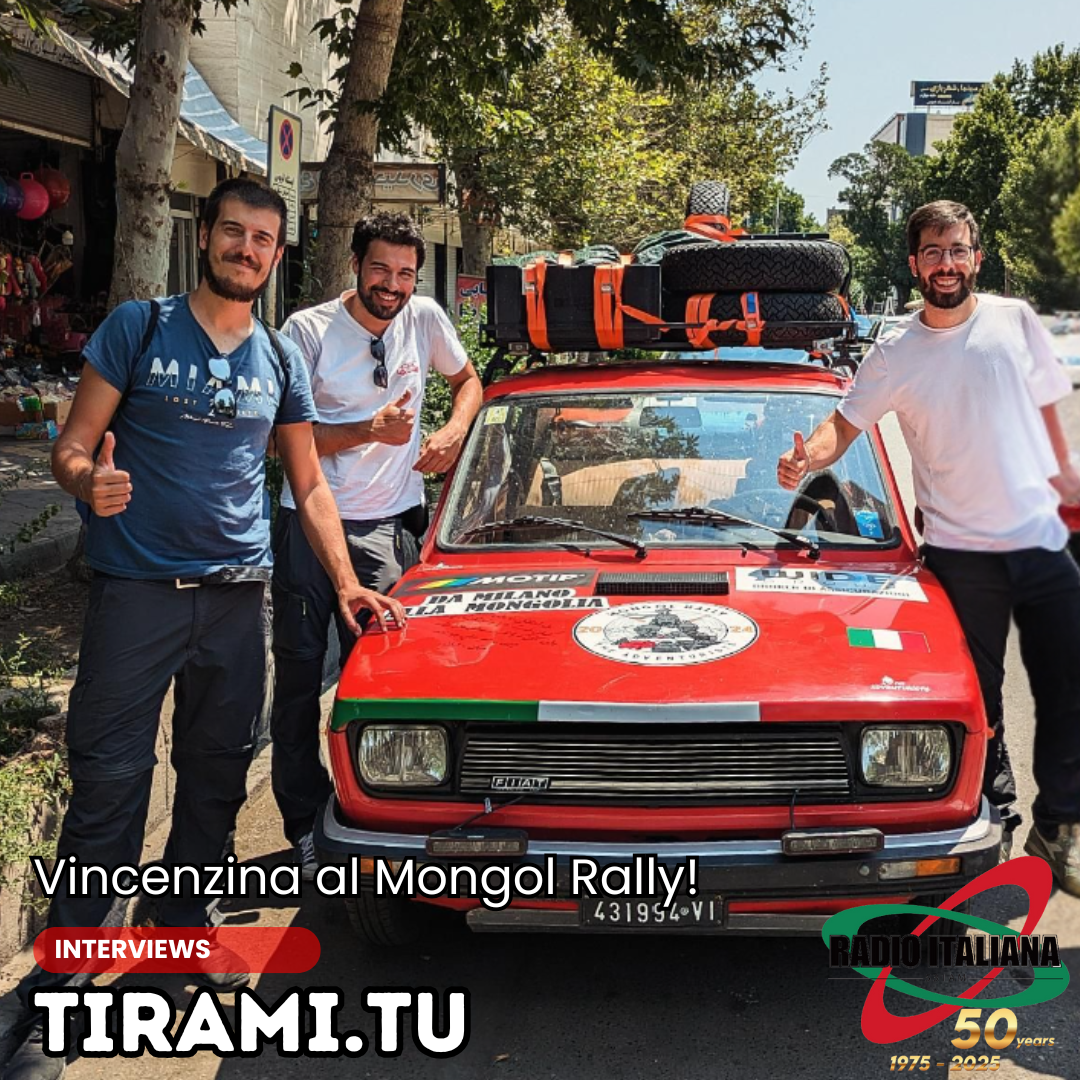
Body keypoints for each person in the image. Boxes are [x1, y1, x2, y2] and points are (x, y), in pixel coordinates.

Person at [2, 178, 405, 1080]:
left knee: (217, 780)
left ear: (276, 255)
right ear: (208, 237)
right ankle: (65, 985)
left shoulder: (278, 358)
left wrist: (347, 582)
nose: (246, 250)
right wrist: (85, 481)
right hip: (136, 596)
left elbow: (308, 483)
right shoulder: (139, 329)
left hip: (235, 600)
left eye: (263, 240)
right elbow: (73, 444)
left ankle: (178, 932)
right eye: (233, 232)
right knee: (109, 784)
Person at [777, 199, 1080, 895]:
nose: (947, 263)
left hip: (1040, 535)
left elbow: (1049, 415)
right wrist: (806, 458)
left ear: (977, 257)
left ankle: (1059, 824)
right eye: (934, 252)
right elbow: (843, 427)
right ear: (915, 264)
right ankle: (995, 814)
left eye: (958, 250)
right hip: (960, 551)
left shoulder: (1015, 322)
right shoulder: (895, 354)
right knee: (979, 698)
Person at [270, 211, 481, 875]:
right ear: (356, 266)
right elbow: (283, 442)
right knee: (300, 680)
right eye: (381, 269)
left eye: (406, 273)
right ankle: (305, 823)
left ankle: (392, 817)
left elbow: (469, 382)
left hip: (394, 529)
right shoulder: (306, 331)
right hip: (310, 526)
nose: (393, 285)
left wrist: (453, 431)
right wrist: (367, 429)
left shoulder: (425, 318)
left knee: (395, 684)